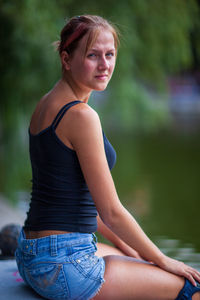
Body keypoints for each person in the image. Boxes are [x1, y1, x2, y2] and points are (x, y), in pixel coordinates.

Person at [15, 15, 200, 300]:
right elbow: (112, 211)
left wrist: (131, 249)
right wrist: (164, 259)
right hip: (65, 266)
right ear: (66, 59)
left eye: (110, 54)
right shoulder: (81, 116)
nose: (105, 65)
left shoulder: (46, 103)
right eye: (92, 55)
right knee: (190, 287)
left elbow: (79, 202)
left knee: (138, 260)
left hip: (32, 255)